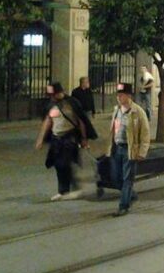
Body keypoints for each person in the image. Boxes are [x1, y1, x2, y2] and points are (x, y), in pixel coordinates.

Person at [35, 83, 96, 201]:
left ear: (59, 93)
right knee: (58, 164)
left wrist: (84, 139)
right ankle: (63, 190)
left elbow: (81, 121)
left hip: (69, 137)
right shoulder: (51, 105)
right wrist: (40, 139)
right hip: (56, 138)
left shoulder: (72, 103)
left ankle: (71, 188)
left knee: (65, 163)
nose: (51, 97)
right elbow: (47, 122)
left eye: (53, 95)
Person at [105, 83, 150, 216]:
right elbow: (113, 130)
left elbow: (145, 134)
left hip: (129, 150)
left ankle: (123, 206)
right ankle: (131, 194)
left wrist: (142, 152)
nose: (118, 98)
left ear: (129, 96)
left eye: (121, 95)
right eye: (118, 95)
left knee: (127, 179)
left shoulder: (138, 112)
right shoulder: (117, 110)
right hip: (116, 148)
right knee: (116, 178)